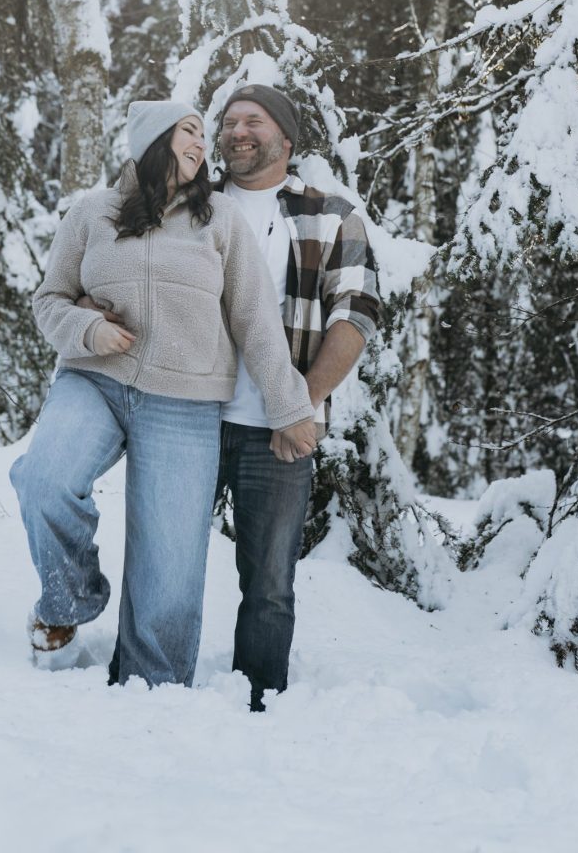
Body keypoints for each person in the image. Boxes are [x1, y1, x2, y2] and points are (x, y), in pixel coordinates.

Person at [9, 99, 317, 689]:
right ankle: (67, 603)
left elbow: (255, 318)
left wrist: (290, 407)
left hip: (184, 402)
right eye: (190, 132)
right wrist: (88, 328)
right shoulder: (91, 213)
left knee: (170, 574)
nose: (204, 144)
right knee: (43, 482)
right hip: (95, 380)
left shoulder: (220, 219)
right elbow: (49, 300)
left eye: (205, 136)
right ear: (152, 139)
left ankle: (154, 693)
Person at [215, 84, 381, 711]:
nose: (237, 131)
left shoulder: (331, 214)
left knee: (269, 583)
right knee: (162, 563)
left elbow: (356, 315)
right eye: (229, 122)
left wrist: (300, 405)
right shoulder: (192, 207)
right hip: (187, 419)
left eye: (252, 121)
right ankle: (147, 686)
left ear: (285, 138)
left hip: (279, 432)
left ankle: (258, 704)